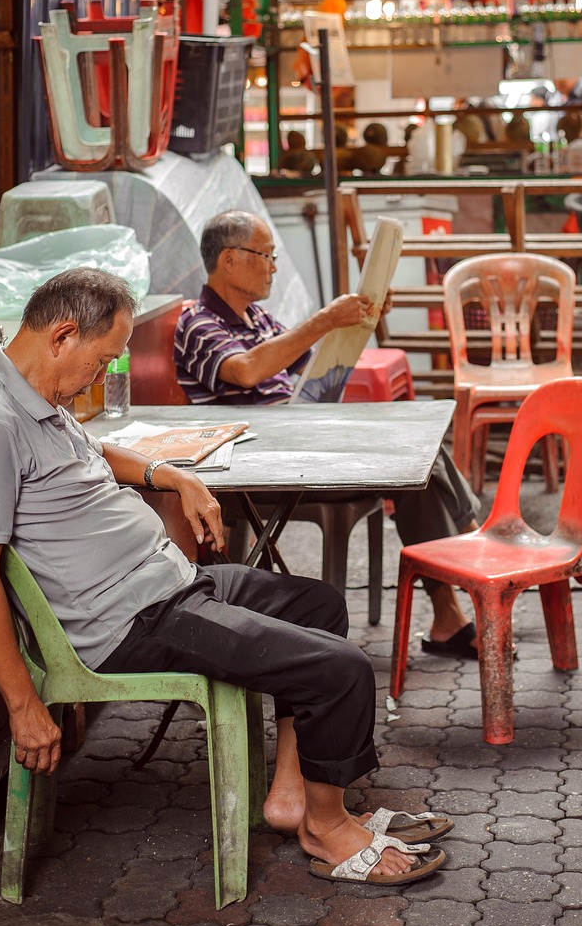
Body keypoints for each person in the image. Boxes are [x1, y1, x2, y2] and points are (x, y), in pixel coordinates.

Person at [0, 269, 447, 887]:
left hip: (170, 584)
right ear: (62, 336)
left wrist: (171, 473)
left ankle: (299, 802)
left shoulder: (43, 397)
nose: (102, 377)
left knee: (318, 605)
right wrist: (22, 705)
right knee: (339, 670)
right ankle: (327, 830)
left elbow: (97, 455)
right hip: (132, 621)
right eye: (101, 361)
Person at [175, 211, 483, 658]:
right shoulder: (199, 322)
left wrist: (358, 319)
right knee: (416, 458)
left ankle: (457, 600)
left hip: (301, 441)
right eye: (266, 256)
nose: (274, 267)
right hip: (265, 464)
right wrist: (323, 319)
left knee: (419, 457)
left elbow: (314, 366)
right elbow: (245, 371)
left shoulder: (257, 319)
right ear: (230, 259)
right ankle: (476, 565)